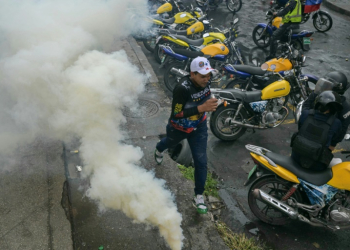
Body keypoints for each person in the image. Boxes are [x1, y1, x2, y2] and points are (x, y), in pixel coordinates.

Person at [154, 57, 218, 214]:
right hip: (179, 128)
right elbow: (176, 114)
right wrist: (202, 107)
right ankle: (158, 149)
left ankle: (198, 196)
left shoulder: (206, 82)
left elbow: (206, 97)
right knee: (168, 142)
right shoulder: (182, 89)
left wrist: (213, 103)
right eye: (202, 76)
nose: (206, 79)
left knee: (201, 161)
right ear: (192, 74)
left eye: (208, 75)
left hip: (199, 127)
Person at [291, 90, 343, 171]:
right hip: (317, 166)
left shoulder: (305, 114)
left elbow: (300, 129)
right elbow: (333, 143)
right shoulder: (336, 123)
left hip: (295, 158)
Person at [302, 72, 350, 147]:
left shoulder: (344, 107)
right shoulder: (317, 94)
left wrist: (333, 144)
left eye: (328, 86)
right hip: (311, 133)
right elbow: (306, 105)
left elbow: (342, 130)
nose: (324, 87)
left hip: (320, 137)